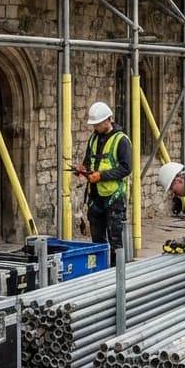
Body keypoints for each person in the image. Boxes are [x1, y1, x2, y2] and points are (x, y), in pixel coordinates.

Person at [75, 102, 132, 265]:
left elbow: (126, 168)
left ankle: (117, 272)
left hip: (114, 197)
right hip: (95, 196)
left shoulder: (121, 140)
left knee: (115, 240)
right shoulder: (93, 138)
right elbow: (89, 160)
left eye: (98, 124)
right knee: (97, 240)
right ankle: (99, 271)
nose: (95, 127)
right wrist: (83, 169)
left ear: (108, 120)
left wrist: (101, 176)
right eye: (94, 124)